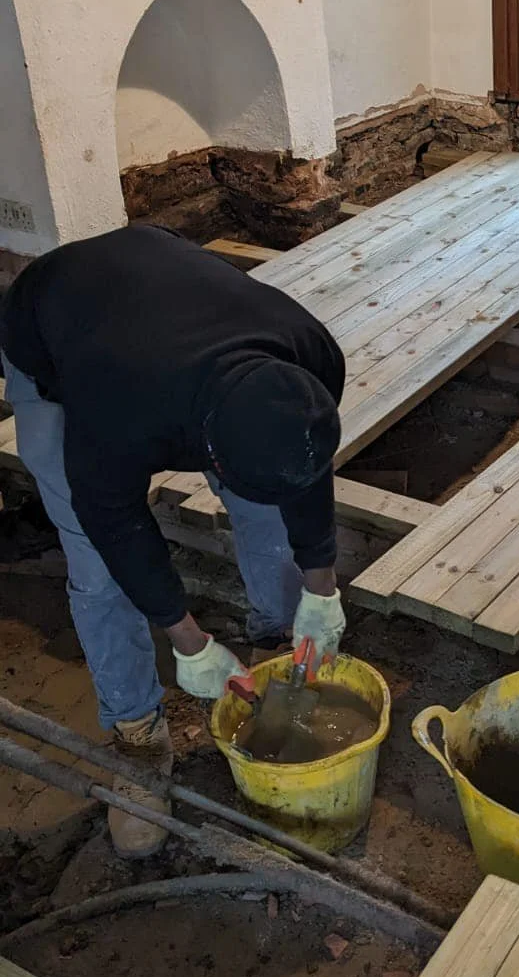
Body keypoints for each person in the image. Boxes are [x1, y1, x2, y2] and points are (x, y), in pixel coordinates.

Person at [0, 224, 347, 858]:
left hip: (164, 288)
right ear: (208, 453)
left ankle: (278, 650)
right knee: (97, 567)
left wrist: (322, 587)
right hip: (53, 326)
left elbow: (305, 466)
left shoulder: (311, 356)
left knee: (267, 510)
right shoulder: (117, 409)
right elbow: (114, 523)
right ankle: (136, 733)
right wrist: (189, 641)